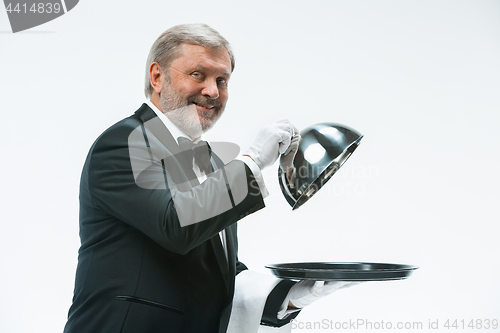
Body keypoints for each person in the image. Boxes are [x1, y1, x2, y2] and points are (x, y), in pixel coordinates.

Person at [64, 23, 353, 333]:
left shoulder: (212, 161)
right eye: (198, 75)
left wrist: (291, 296)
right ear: (157, 77)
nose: (213, 92)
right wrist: (253, 161)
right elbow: (176, 223)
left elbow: (215, 272)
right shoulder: (125, 142)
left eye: (222, 80)